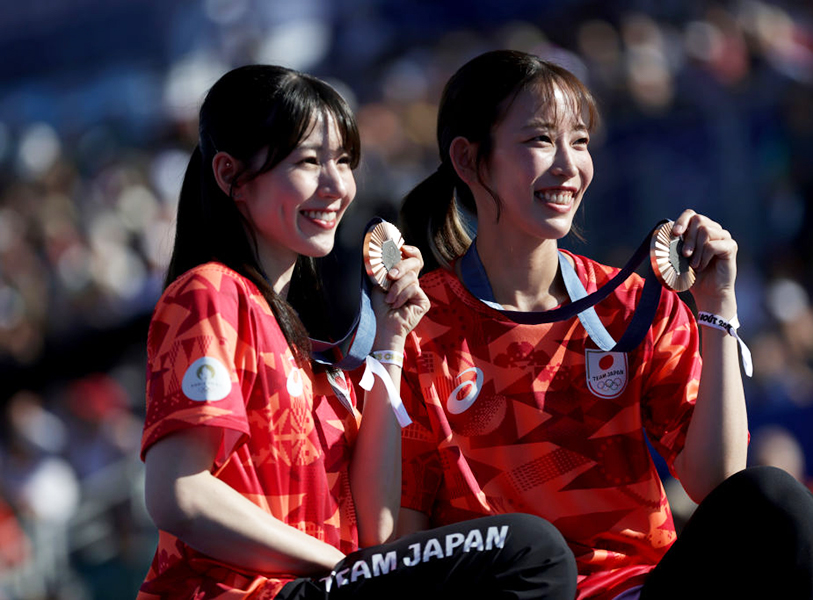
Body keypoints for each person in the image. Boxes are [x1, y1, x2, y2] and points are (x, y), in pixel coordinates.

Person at [397, 50, 813, 600]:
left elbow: (717, 481)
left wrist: (718, 309)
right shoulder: (411, 323)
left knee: (777, 501)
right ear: (468, 159)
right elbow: (400, 537)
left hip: (639, 589)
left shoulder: (631, 304)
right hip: (507, 593)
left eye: (578, 141)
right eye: (538, 140)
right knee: (536, 550)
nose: (567, 166)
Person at [139, 64, 577, 600]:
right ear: (231, 175)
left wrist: (391, 340)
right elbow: (179, 494)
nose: (336, 185)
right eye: (308, 161)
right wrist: (340, 569)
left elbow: (378, 532)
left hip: (322, 585)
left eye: (343, 161)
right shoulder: (209, 293)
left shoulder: (302, 339)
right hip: (245, 593)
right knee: (529, 550)